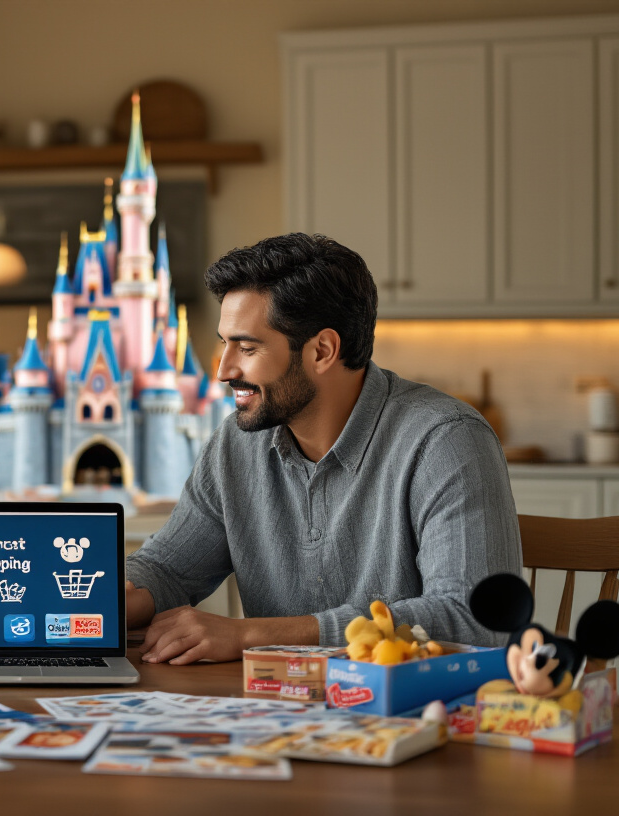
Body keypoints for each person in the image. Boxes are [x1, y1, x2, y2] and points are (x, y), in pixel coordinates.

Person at [126, 233, 522, 665]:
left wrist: (253, 635)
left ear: (322, 351)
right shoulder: (236, 444)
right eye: (225, 343)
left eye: (248, 347)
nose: (223, 370)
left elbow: (473, 617)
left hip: (418, 703)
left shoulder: (447, 441)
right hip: (275, 700)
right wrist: (104, 599)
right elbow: (168, 569)